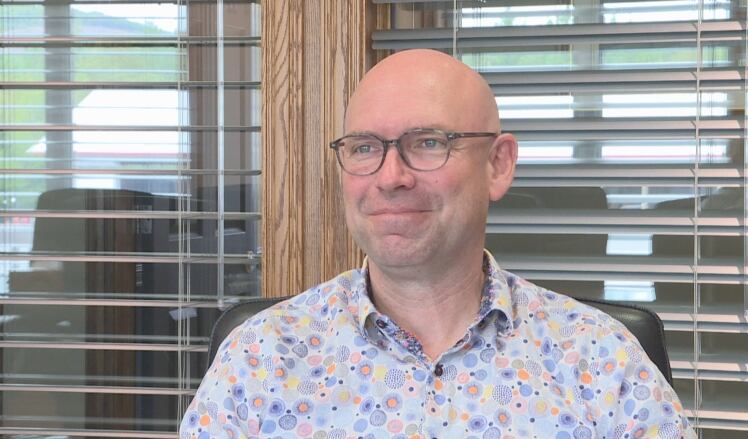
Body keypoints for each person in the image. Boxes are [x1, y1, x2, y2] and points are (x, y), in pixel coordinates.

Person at [180, 49, 696, 439]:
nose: (391, 176)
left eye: (428, 143)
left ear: (498, 164)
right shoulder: (259, 360)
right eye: (364, 148)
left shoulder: (602, 363)